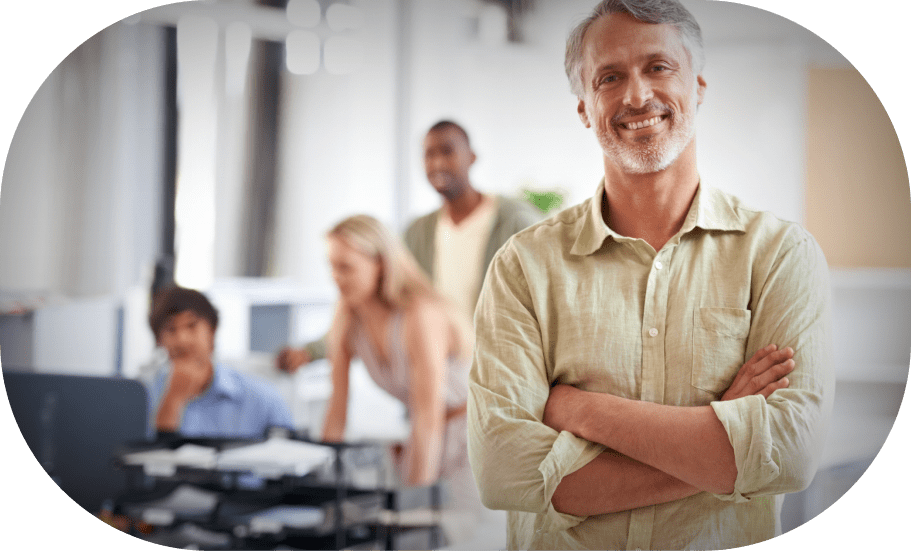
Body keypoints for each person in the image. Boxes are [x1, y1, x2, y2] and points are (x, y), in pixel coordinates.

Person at [467, 1, 835, 550]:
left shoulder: (781, 255)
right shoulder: (524, 267)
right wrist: (722, 444)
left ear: (699, 85)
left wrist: (580, 409)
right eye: (609, 77)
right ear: (585, 109)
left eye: (658, 67)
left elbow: (789, 454)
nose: (636, 95)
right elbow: (505, 473)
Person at [275, 120, 541, 372]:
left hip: (499, 380)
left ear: (471, 157)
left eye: (447, 151)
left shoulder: (514, 221)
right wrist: (312, 352)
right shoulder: (418, 233)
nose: (437, 163)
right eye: (428, 154)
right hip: (437, 379)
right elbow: (376, 297)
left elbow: (546, 303)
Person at [318, 214, 487, 547]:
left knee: (444, 536)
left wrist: (413, 504)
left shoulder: (421, 315)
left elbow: (427, 416)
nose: (336, 278)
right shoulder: (348, 316)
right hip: (426, 433)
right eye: (332, 266)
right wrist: (323, 484)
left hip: (472, 435)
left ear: (380, 263)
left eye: (346, 267)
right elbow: (336, 409)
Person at [147, 286, 293, 439]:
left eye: (192, 326)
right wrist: (173, 400)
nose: (183, 339)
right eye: (171, 329)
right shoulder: (142, 398)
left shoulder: (264, 400)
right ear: (159, 340)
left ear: (212, 330)